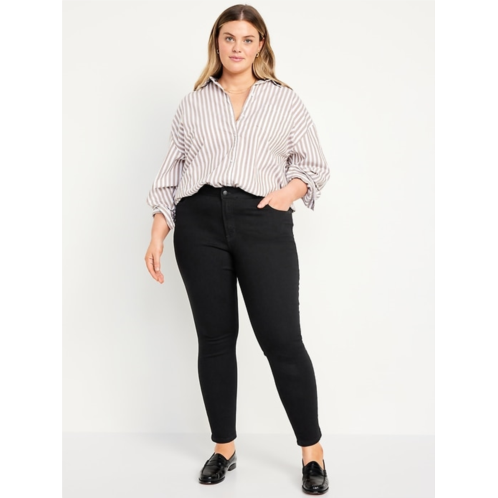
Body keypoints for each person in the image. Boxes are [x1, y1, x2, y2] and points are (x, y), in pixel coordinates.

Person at [145, 4, 330, 494]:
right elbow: (171, 176)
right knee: (215, 339)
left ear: (260, 45)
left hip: (261, 219)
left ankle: (312, 452)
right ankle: (223, 448)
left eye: (248, 39)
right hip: (199, 223)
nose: (237, 47)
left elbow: (314, 165)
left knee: (282, 340)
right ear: (217, 42)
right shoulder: (193, 104)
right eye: (229, 38)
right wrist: (159, 232)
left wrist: (286, 195)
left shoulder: (283, 101)